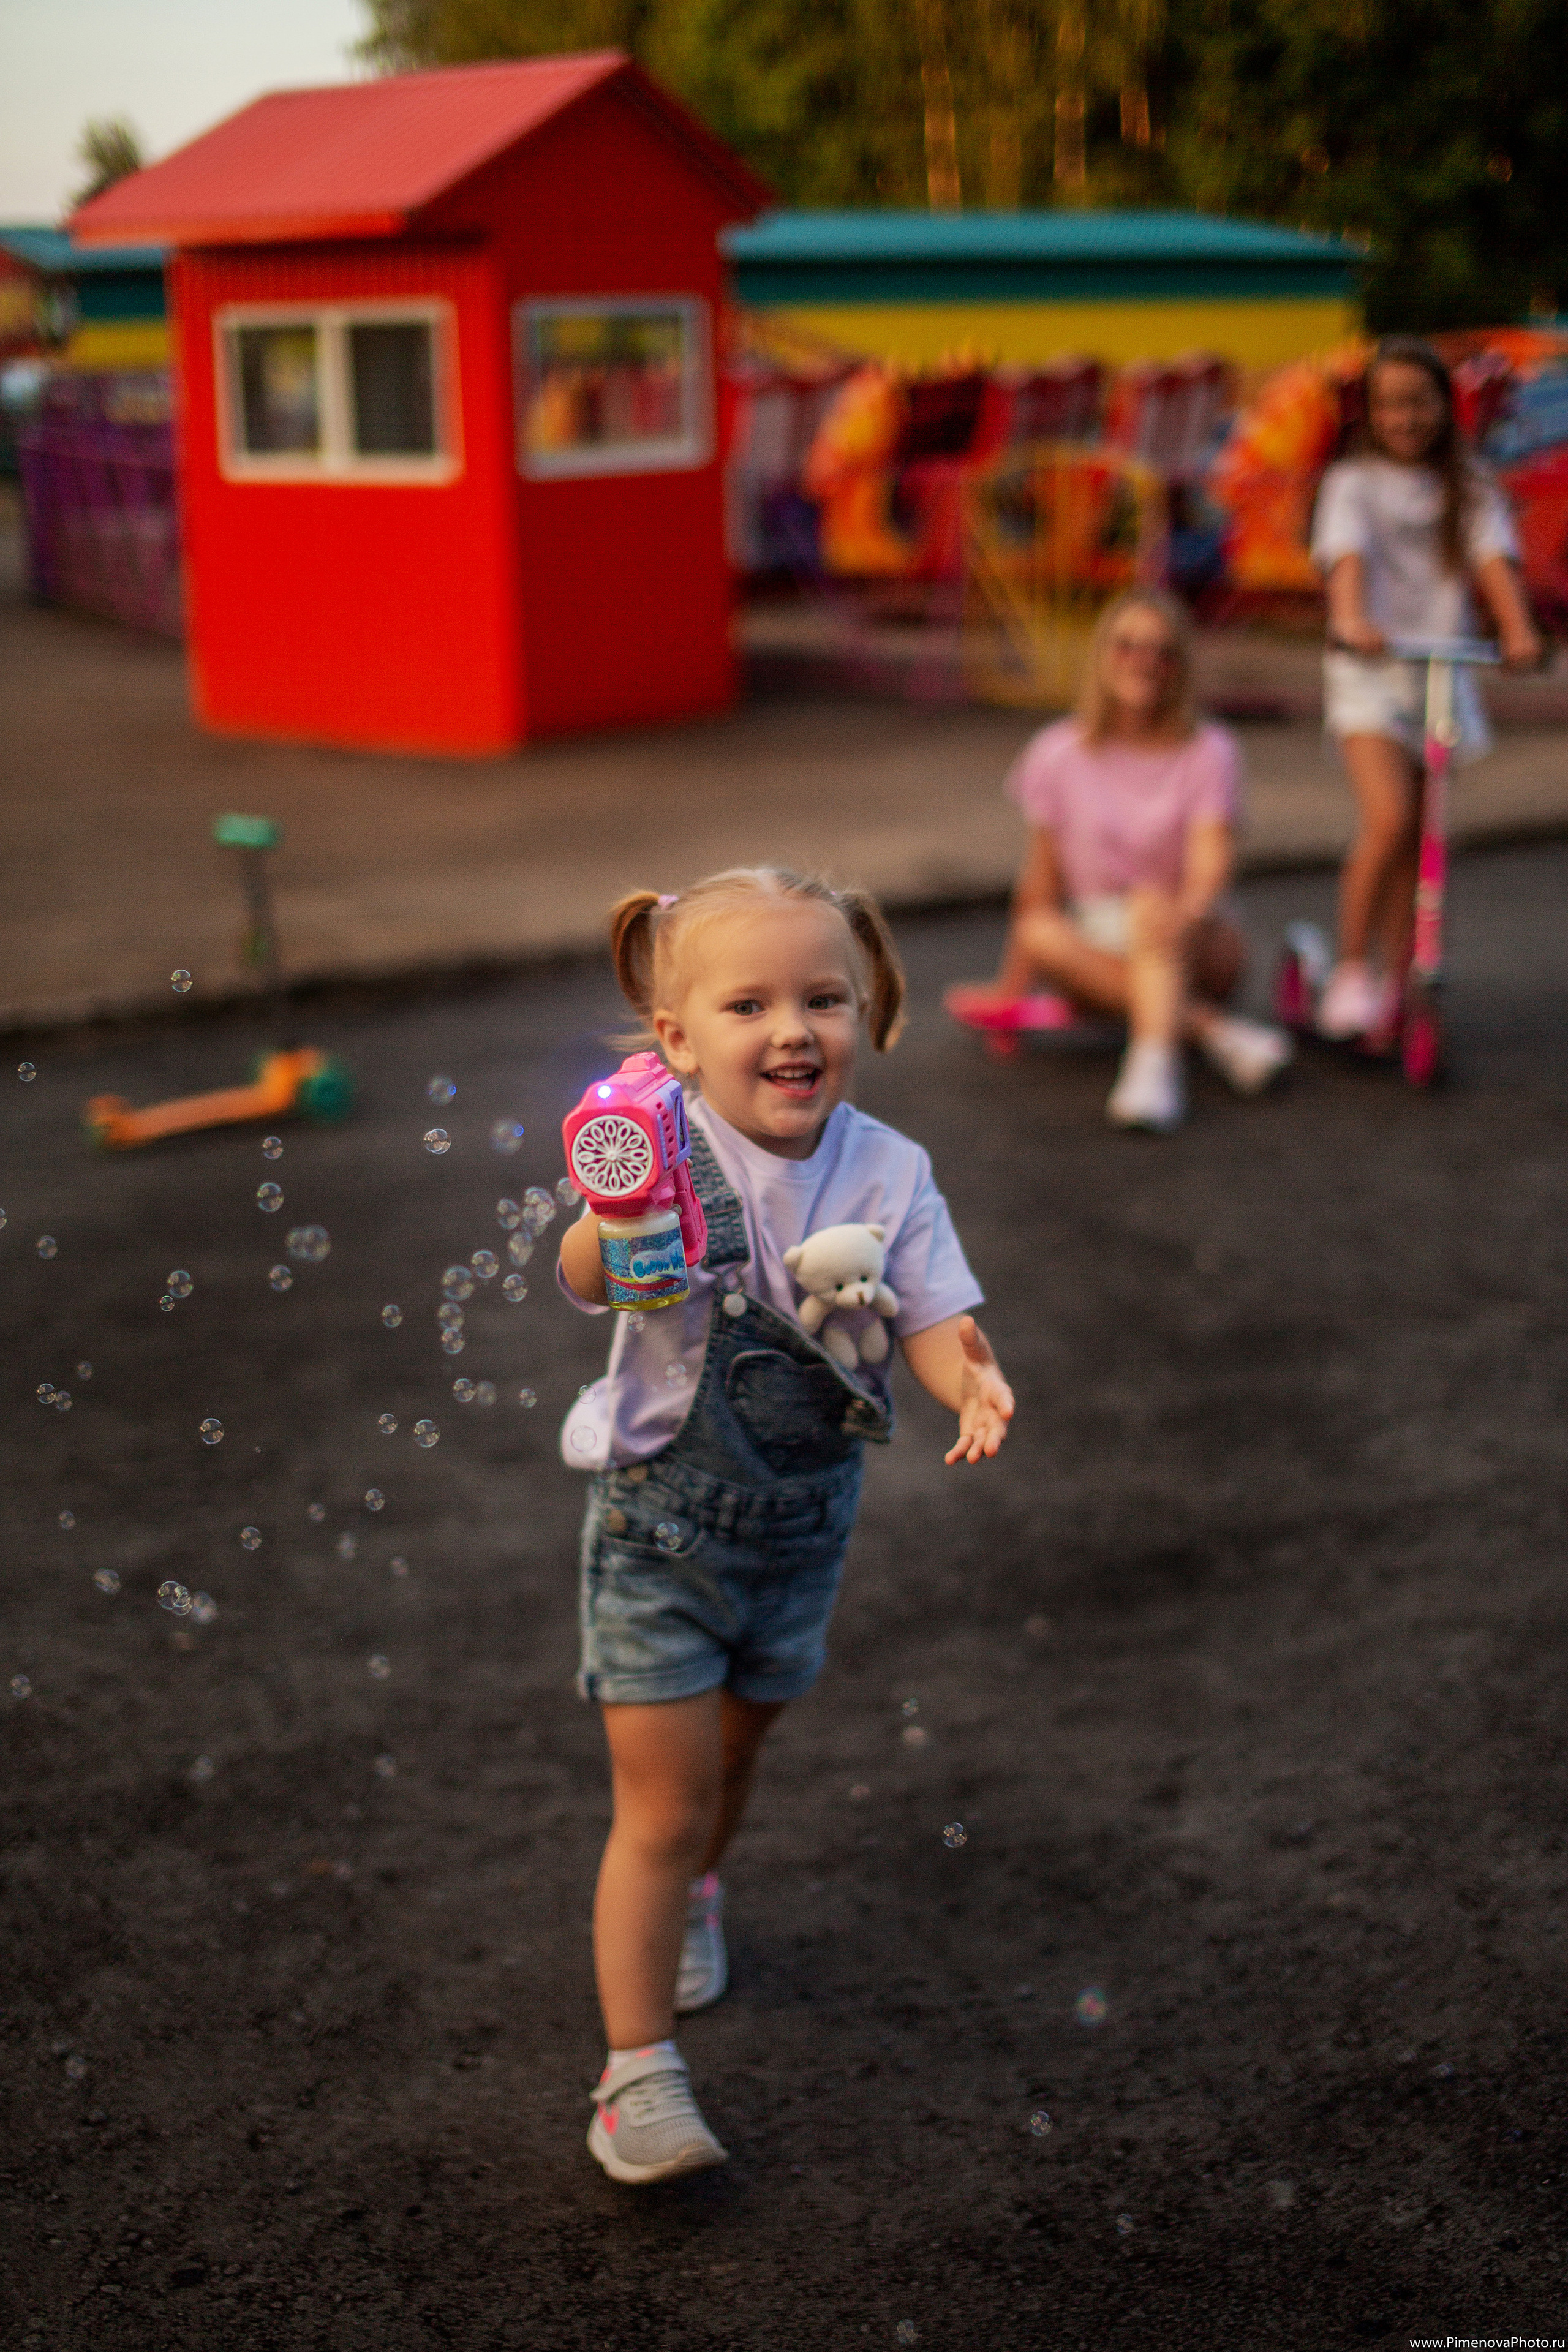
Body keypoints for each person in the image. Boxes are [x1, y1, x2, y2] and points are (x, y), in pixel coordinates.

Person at [556, 867, 1014, 2185]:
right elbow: (584, 1278)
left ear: (867, 1008)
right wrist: (611, 1221)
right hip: (658, 1527)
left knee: (735, 1761)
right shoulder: (656, 1144)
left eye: (822, 995)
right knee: (661, 1799)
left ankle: (701, 1886)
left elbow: (931, 1315)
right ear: (677, 1038)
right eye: (747, 1002)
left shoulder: (891, 1168)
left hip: (803, 1527)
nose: (792, 1027)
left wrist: (967, 1380)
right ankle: (633, 2077)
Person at [972, 587, 1290, 1134]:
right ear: (1103, 657)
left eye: (1162, 651)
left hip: (1197, 932)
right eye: (1127, 646)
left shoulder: (1210, 749)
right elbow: (1040, 880)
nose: (1144, 662)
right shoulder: (1057, 752)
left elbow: (1211, 866)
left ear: (1180, 666)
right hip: (1099, 938)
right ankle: (1212, 1031)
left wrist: (1179, 919)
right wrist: (1011, 990)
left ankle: (1152, 1065)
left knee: (1149, 905)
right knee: (1038, 929)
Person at [1310, 335, 1541, 1041]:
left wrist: (1516, 629)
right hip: (1370, 675)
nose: (1405, 419)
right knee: (1387, 822)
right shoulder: (1352, 484)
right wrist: (1350, 617)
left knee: (1422, 842)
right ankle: (1351, 970)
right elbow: (1347, 556)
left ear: (1445, 405)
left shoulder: (1465, 484)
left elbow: (1492, 557)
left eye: (1418, 403)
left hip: (1439, 672)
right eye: (1389, 406)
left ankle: (1404, 973)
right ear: (1370, 413)